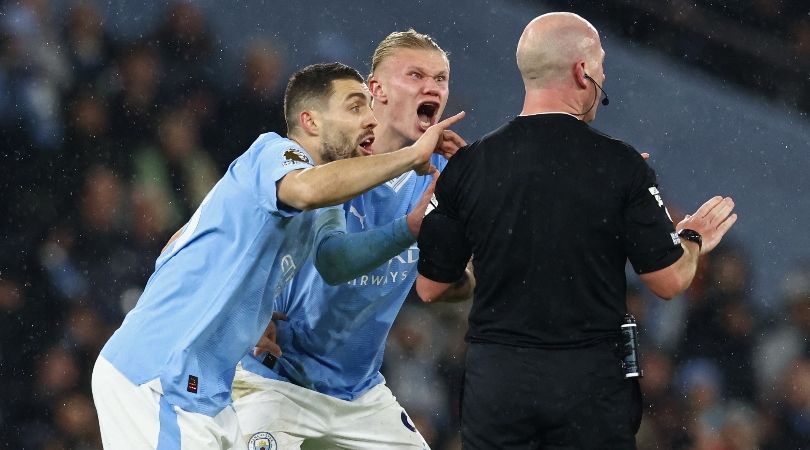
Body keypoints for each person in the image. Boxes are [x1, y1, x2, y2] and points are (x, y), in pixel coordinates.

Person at [91, 62, 464, 450]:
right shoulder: (275, 151)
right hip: (160, 377)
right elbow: (306, 190)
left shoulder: (320, 206)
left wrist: (255, 311)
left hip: (208, 395)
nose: (371, 120)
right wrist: (410, 156)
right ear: (311, 121)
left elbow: (332, 259)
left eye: (370, 108)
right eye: (355, 107)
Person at [414, 12, 738, 450]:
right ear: (582, 71)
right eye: (601, 61)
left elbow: (432, 287)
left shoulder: (469, 167)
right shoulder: (622, 166)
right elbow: (669, 280)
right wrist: (693, 237)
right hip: (589, 386)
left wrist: (492, 262)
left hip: (499, 382)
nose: (604, 72)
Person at [230, 30, 474, 450]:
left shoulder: (443, 173)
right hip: (275, 376)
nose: (431, 87)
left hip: (359, 394)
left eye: (440, 78)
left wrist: (455, 254)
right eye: (415, 75)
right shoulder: (327, 152)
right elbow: (330, 259)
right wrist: (249, 304)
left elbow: (443, 286)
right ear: (375, 89)